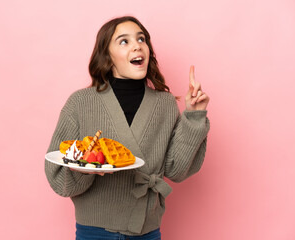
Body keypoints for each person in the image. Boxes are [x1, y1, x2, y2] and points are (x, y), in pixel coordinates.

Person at [45, 16, 210, 240]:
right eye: (124, 41)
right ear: (107, 55)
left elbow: (175, 170)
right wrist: (81, 169)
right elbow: (58, 178)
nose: (136, 45)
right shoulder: (80, 103)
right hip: (95, 231)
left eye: (141, 39)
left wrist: (194, 115)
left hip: (147, 229)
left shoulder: (165, 104)